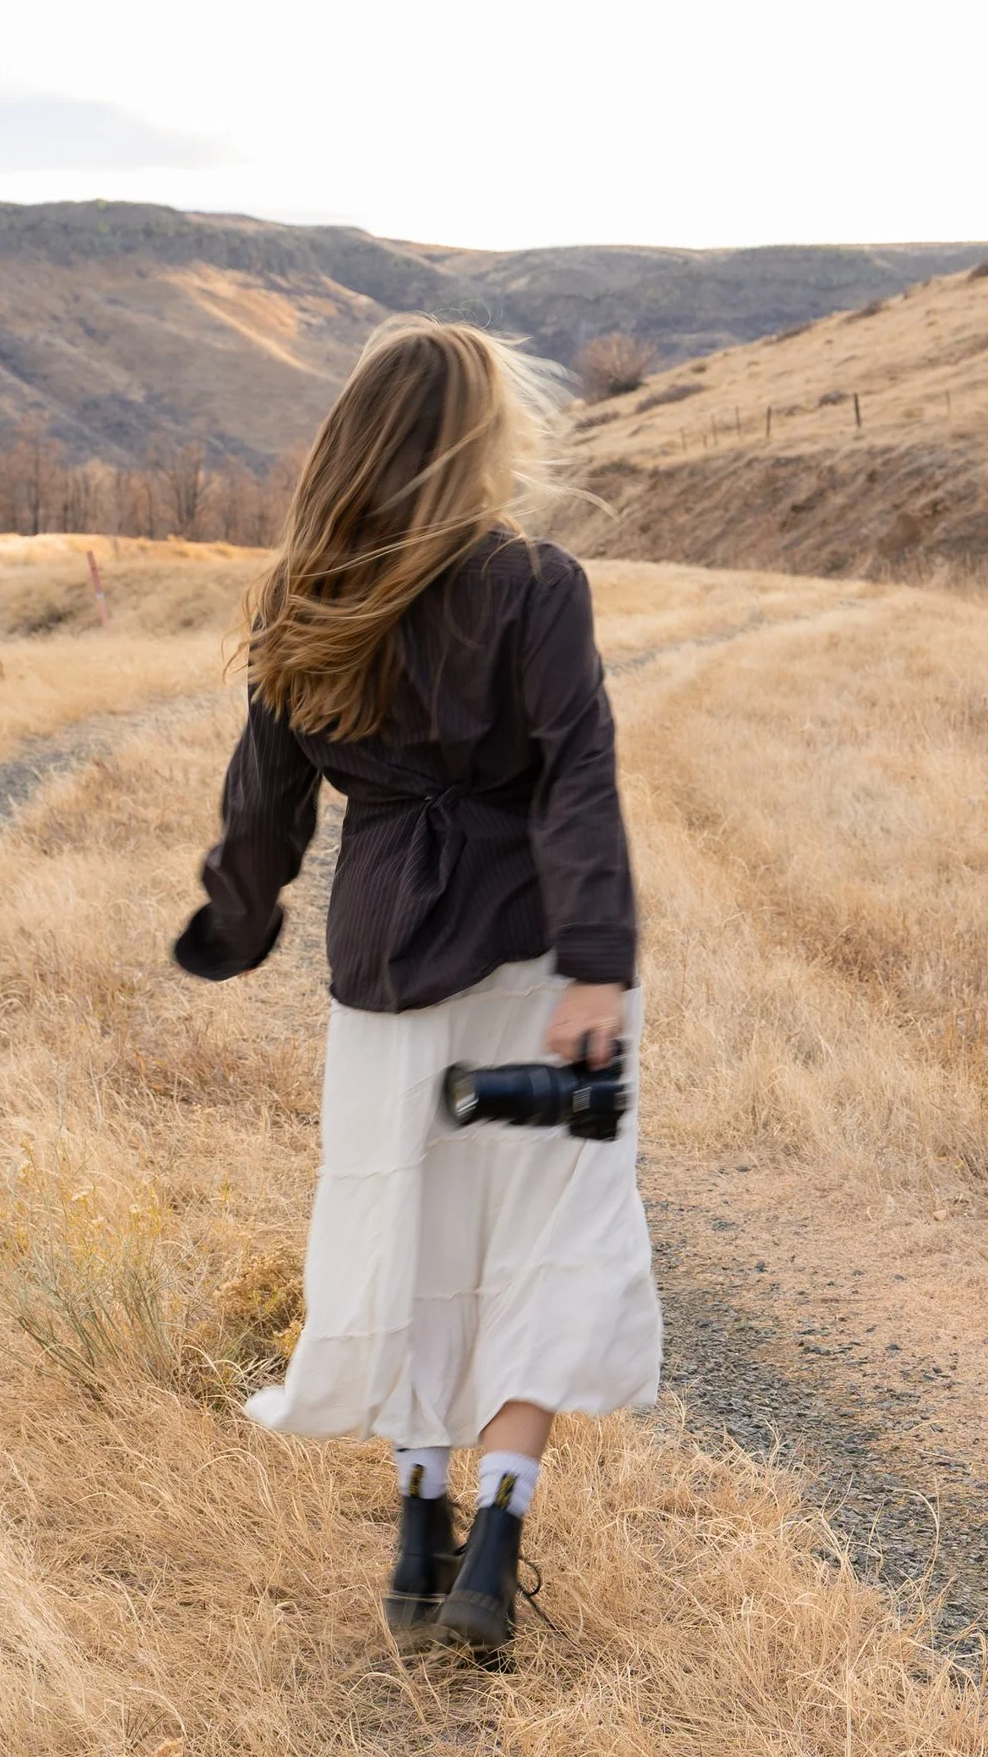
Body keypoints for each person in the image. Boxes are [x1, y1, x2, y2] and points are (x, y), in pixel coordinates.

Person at [172, 314, 660, 1657]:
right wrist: (599, 969)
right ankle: (494, 1543)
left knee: (415, 1241)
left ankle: (416, 1538)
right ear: (476, 441)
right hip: (534, 967)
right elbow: (577, 774)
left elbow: (264, 800)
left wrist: (237, 917)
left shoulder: (300, 594)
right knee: (548, 1238)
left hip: (381, 980)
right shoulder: (534, 583)